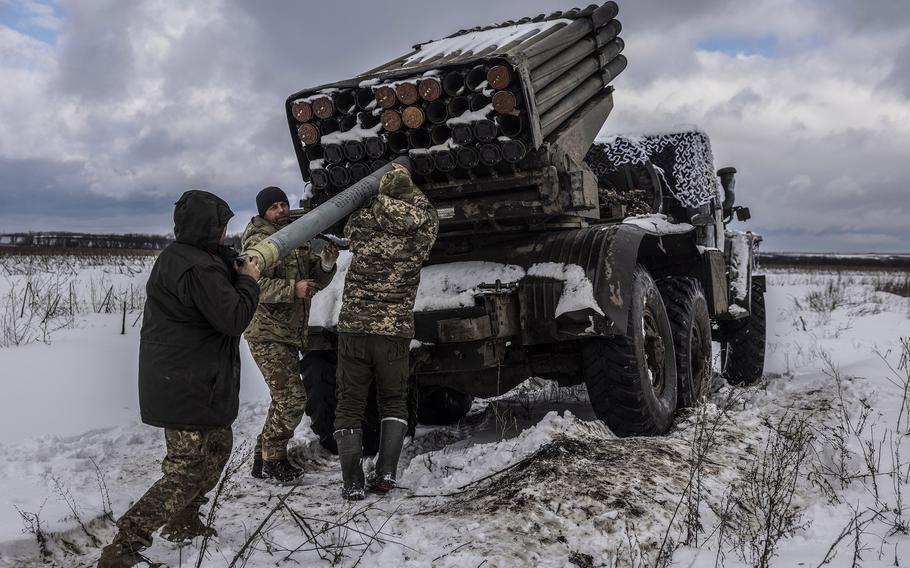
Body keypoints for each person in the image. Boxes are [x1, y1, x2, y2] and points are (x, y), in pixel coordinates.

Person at [98, 190, 260, 568]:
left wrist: (230, 264)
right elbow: (234, 317)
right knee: (186, 470)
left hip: (194, 379)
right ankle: (125, 545)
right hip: (186, 383)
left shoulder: (191, 258)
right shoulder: (195, 267)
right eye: (222, 227)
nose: (225, 234)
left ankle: (183, 520)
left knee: (217, 447)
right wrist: (249, 280)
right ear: (210, 227)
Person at [332, 164, 438, 501]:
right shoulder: (422, 228)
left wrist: (376, 193)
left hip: (355, 326)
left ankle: (351, 482)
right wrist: (409, 181)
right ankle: (386, 474)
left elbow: (348, 222)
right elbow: (429, 212)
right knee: (393, 400)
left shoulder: (363, 221)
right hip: (393, 330)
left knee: (349, 403)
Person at [242, 186, 338, 483]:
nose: (282, 210)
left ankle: (262, 458)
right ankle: (274, 460)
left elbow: (313, 278)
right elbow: (249, 285)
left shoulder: (294, 237)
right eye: (274, 207)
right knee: (293, 399)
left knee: (283, 398)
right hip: (267, 332)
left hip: (288, 332)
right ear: (263, 212)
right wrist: (291, 290)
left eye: (284, 204)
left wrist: (326, 264)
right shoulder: (259, 243)